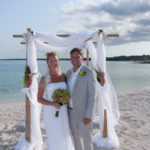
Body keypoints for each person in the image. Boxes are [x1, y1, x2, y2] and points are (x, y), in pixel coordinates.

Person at [38, 52, 75, 150]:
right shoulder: (44, 79)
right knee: (54, 135)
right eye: (51, 61)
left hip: (63, 111)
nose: (53, 63)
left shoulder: (64, 76)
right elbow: (39, 98)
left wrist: (65, 99)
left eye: (55, 60)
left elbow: (70, 90)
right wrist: (53, 103)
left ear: (58, 62)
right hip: (51, 112)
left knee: (64, 133)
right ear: (47, 63)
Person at [67, 48, 97, 150]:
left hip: (84, 113)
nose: (74, 59)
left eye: (77, 56)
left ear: (82, 58)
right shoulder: (68, 73)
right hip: (70, 112)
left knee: (87, 139)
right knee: (75, 138)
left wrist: (89, 115)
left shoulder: (89, 73)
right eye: (72, 57)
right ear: (70, 59)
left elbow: (92, 96)